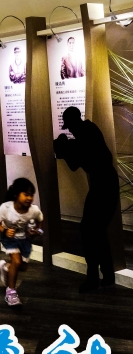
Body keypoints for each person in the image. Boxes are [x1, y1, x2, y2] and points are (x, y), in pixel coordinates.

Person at [54, 106, 119, 292]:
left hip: (103, 186)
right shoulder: (89, 130)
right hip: (105, 184)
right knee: (97, 231)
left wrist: (63, 147)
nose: (70, 130)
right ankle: (107, 275)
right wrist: (66, 146)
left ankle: (93, 278)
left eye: (69, 126)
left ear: (73, 122)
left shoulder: (85, 134)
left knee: (89, 231)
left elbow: (74, 164)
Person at [0, 178, 43, 307]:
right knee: (17, 261)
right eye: (26, 194)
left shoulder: (34, 210)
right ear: (16, 194)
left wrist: (38, 231)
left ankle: (6, 267)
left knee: (23, 267)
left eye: (31, 195)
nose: (29, 198)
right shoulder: (6, 207)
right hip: (9, 239)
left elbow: (40, 220)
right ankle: (11, 293)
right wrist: (4, 231)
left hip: (25, 240)